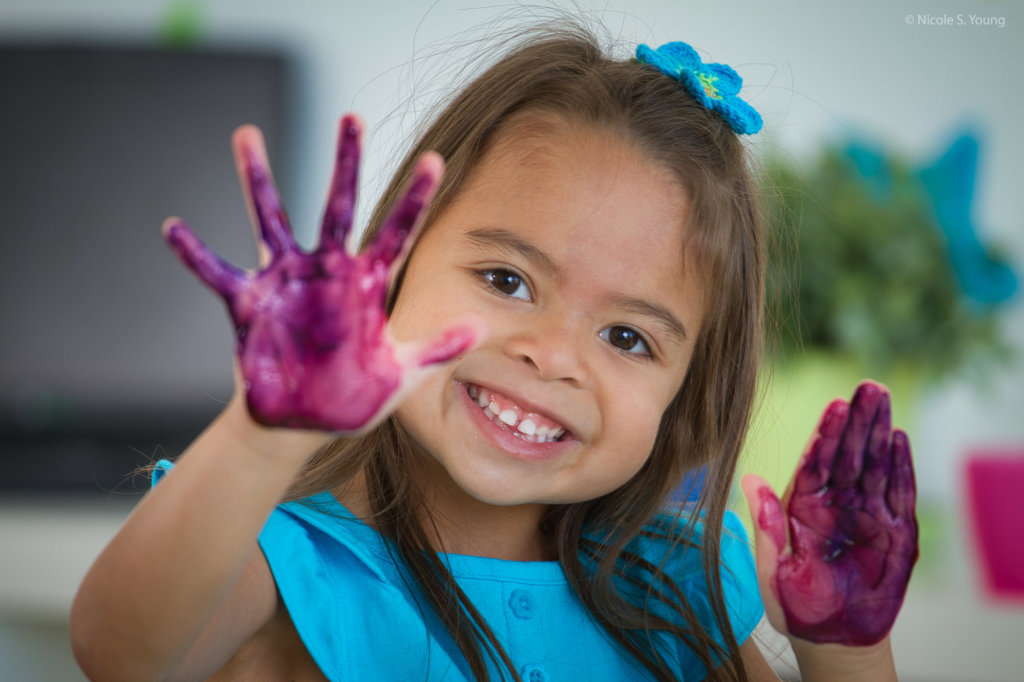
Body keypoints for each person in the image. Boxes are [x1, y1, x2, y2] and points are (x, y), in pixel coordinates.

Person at [70, 24, 917, 682]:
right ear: (394, 267)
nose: (550, 357)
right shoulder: (283, 557)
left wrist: (842, 648)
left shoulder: (675, 589)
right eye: (507, 280)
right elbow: (122, 654)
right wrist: (263, 434)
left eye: (627, 337)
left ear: (685, 394)